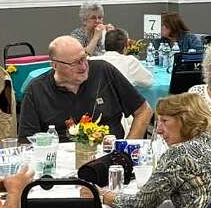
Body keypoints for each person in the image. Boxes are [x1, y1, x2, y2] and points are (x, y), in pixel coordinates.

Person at [17, 36, 150, 141]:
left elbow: (144, 110)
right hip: (61, 160)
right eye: (75, 63)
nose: (83, 66)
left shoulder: (103, 71)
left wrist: (127, 147)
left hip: (109, 155)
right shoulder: (36, 90)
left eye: (84, 58)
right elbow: (27, 142)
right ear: (55, 65)